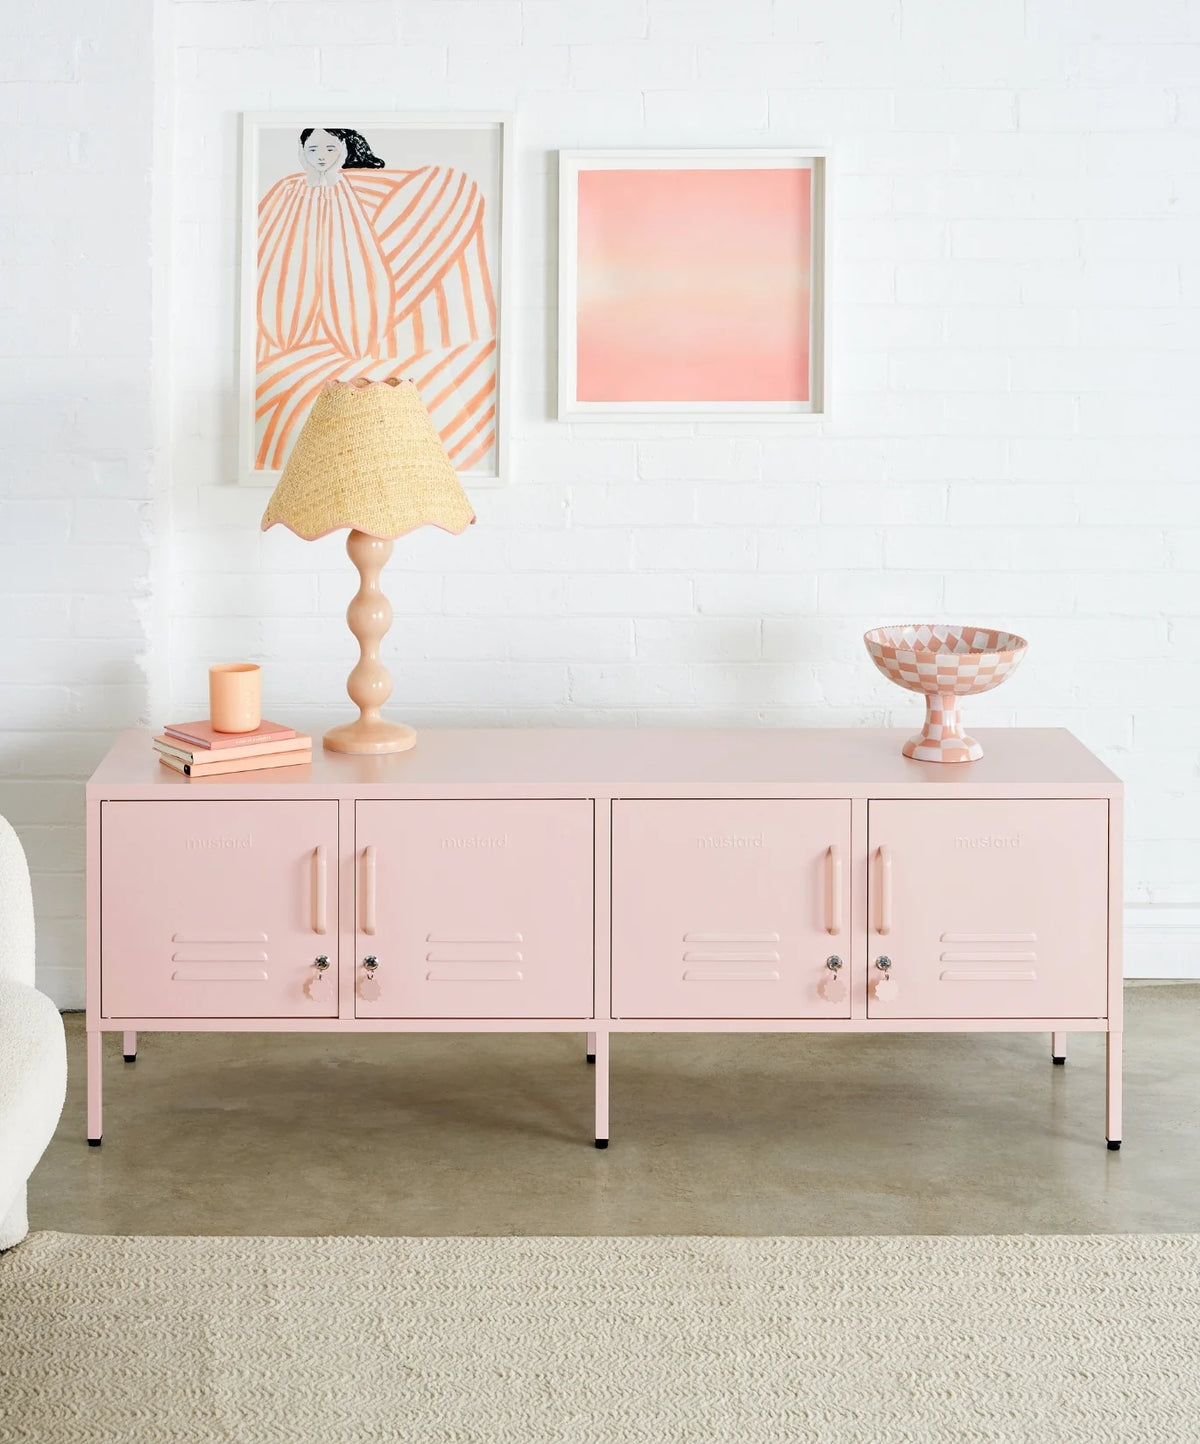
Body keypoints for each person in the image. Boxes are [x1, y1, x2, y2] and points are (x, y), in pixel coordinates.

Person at [255, 127, 497, 473]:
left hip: (382, 351)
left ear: (345, 147)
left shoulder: (435, 190)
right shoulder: (290, 195)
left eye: (329, 148)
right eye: (312, 148)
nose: (320, 156)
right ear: (302, 150)